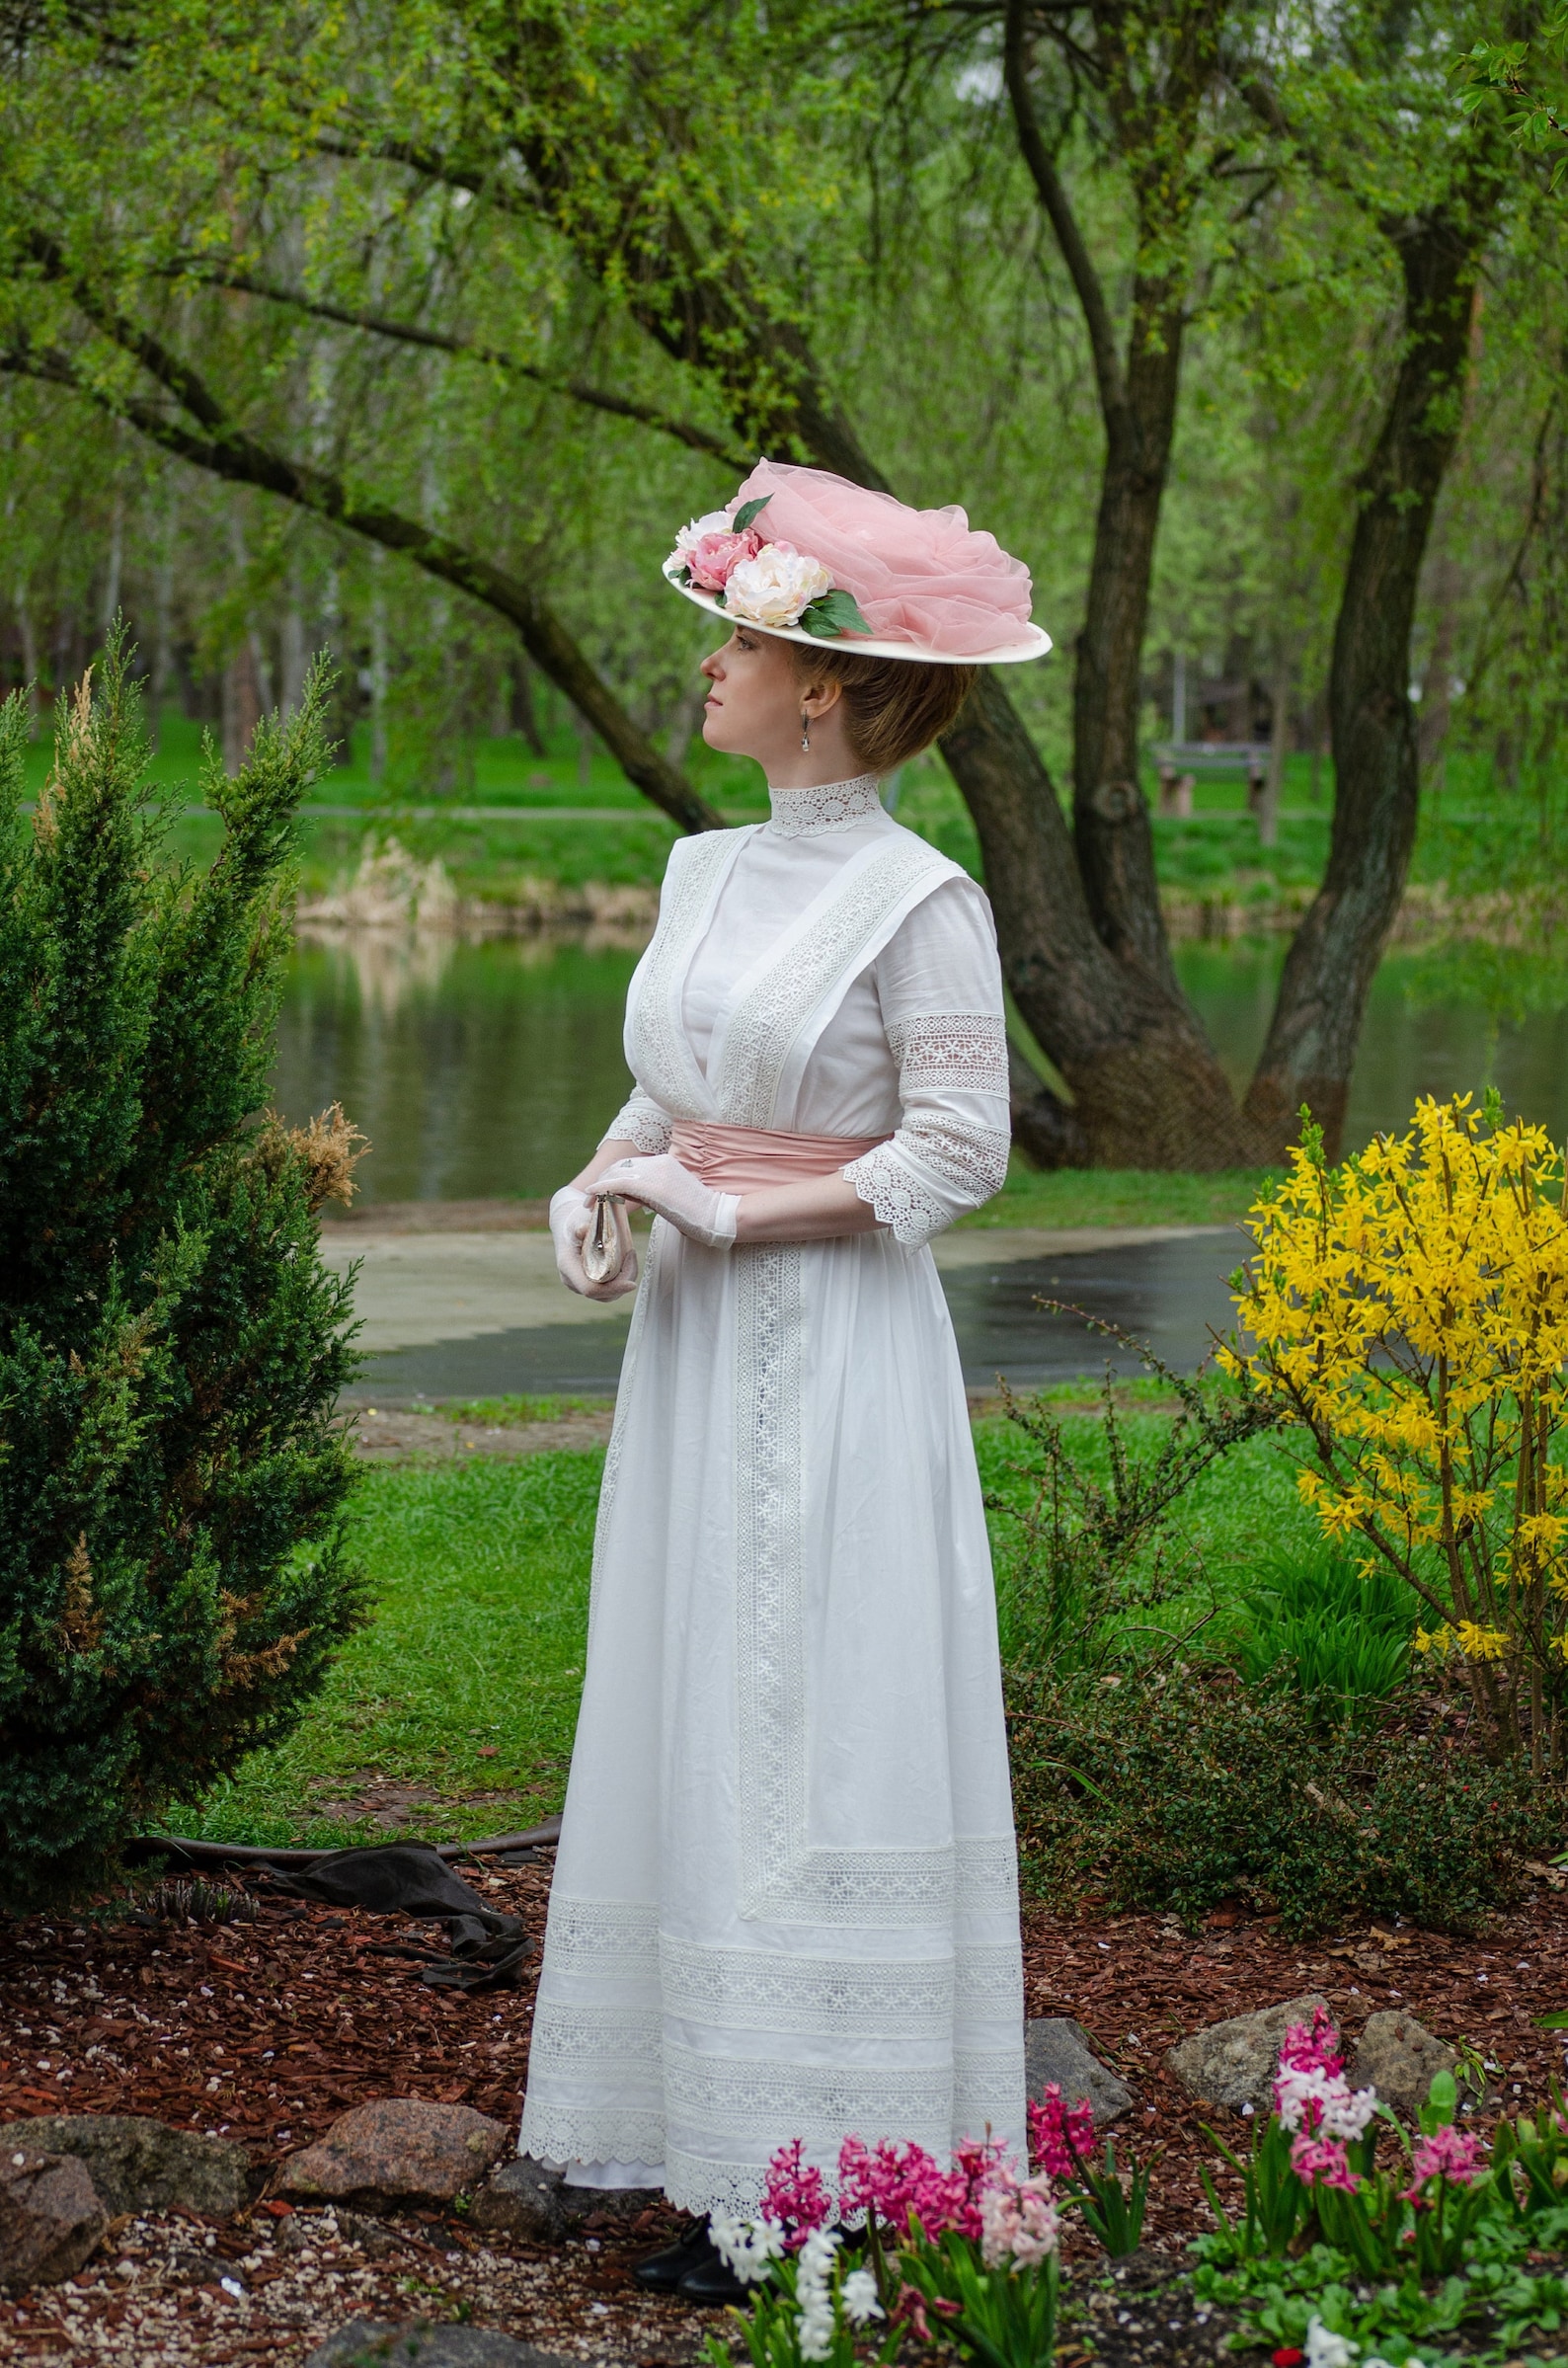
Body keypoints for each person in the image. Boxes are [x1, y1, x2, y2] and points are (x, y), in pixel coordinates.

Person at [518, 459, 1051, 2302]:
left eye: (729, 643)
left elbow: (960, 1152)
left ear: (818, 678)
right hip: (687, 1354)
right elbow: (677, 1080)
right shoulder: (701, 867)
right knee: (694, 1696)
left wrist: (760, 1217)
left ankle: (832, 2166)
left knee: (811, 1708)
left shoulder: (922, 902)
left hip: (832, 1360)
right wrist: (604, 1181)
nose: (704, 670)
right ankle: (709, 2136)